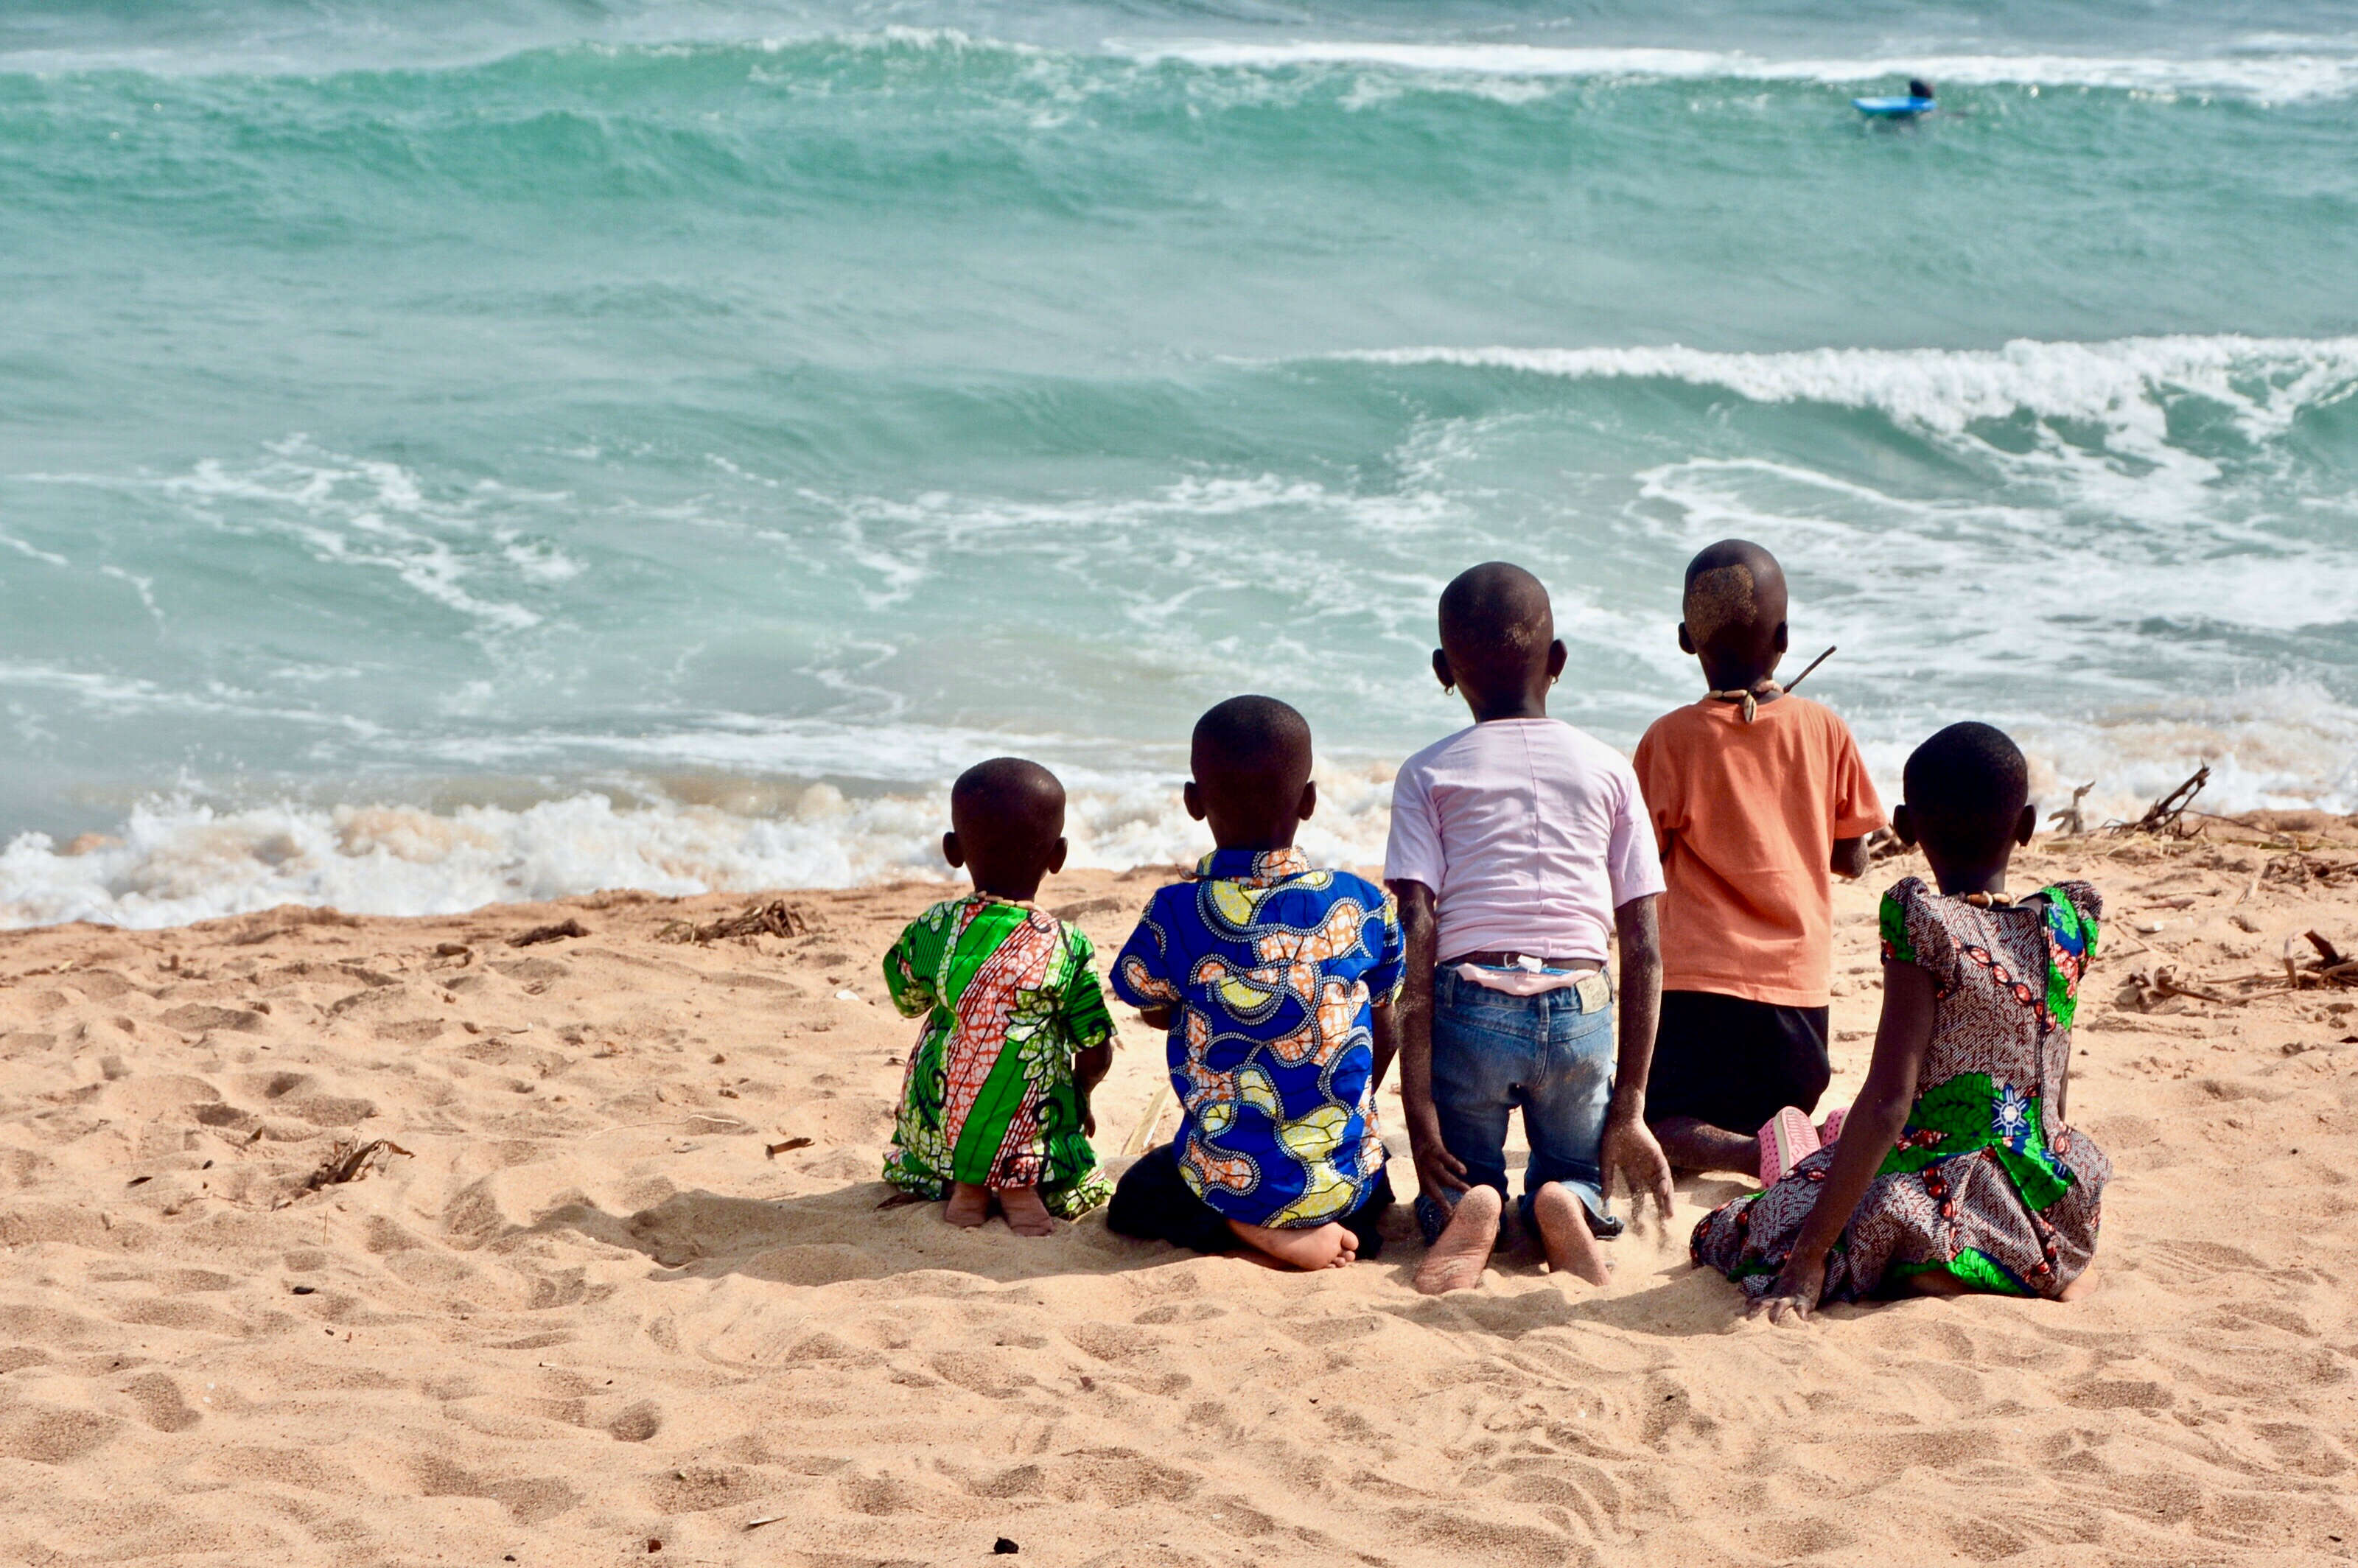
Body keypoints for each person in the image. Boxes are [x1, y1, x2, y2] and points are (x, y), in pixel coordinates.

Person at [1691, 722, 2110, 1321]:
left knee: (1744, 1230)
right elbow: (2054, 1080)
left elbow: (1890, 1099)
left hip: (1945, 1180)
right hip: (2048, 1187)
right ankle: (2028, 1265)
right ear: (2026, 826)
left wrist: (1807, 1259)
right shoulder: (2067, 923)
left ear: (1906, 828)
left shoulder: (1924, 922)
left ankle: (1937, 1257)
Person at [1385, 563, 1675, 1295]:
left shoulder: (1425, 773)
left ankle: (1471, 1203)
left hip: (1470, 1005)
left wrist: (1418, 1113)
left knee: (1454, 1175)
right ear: (1558, 661)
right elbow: (1641, 945)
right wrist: (1631, 1103)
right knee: (1578, 1168)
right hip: (1579, 1002)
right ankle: (1563, 1201)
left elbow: (1417, 930)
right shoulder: (1609, 769)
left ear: (1442, 672)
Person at [1106, 696, 1405, 1271]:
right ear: (1311, 801)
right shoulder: (1364, 905)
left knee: (1138, 1196)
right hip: (1346, 1177)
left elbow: (1145, 1000)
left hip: (1230, 1172)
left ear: (1195, 803)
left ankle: (1248, 1223)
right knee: (1376, 1179)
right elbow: (1383, 1023)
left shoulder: (1176, 911)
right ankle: (1328, 1224)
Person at [1632, 540, 1885, 1180]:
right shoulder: (1824, 729)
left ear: (1688, 640)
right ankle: (1797, 1132)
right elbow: (1852, 858)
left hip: (1695, 996)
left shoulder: (1669, 739)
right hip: (1796, 1020)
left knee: (1657, 1127)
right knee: (1778, 1107)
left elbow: (1640, 863)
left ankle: (1750, 1156)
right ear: (1785, 638)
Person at [881, 757, 1114, 1234]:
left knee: (949, 1054)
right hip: (1029, 1120)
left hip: (944, 1118)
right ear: (1058, 855)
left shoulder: (934, 928)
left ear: (952, 850)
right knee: (1034, 1083)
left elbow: (905, 996)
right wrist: (1082, 1093)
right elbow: (1094, 1045)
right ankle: (1017, 1184)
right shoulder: (1066, 945)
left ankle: (966, 1183)